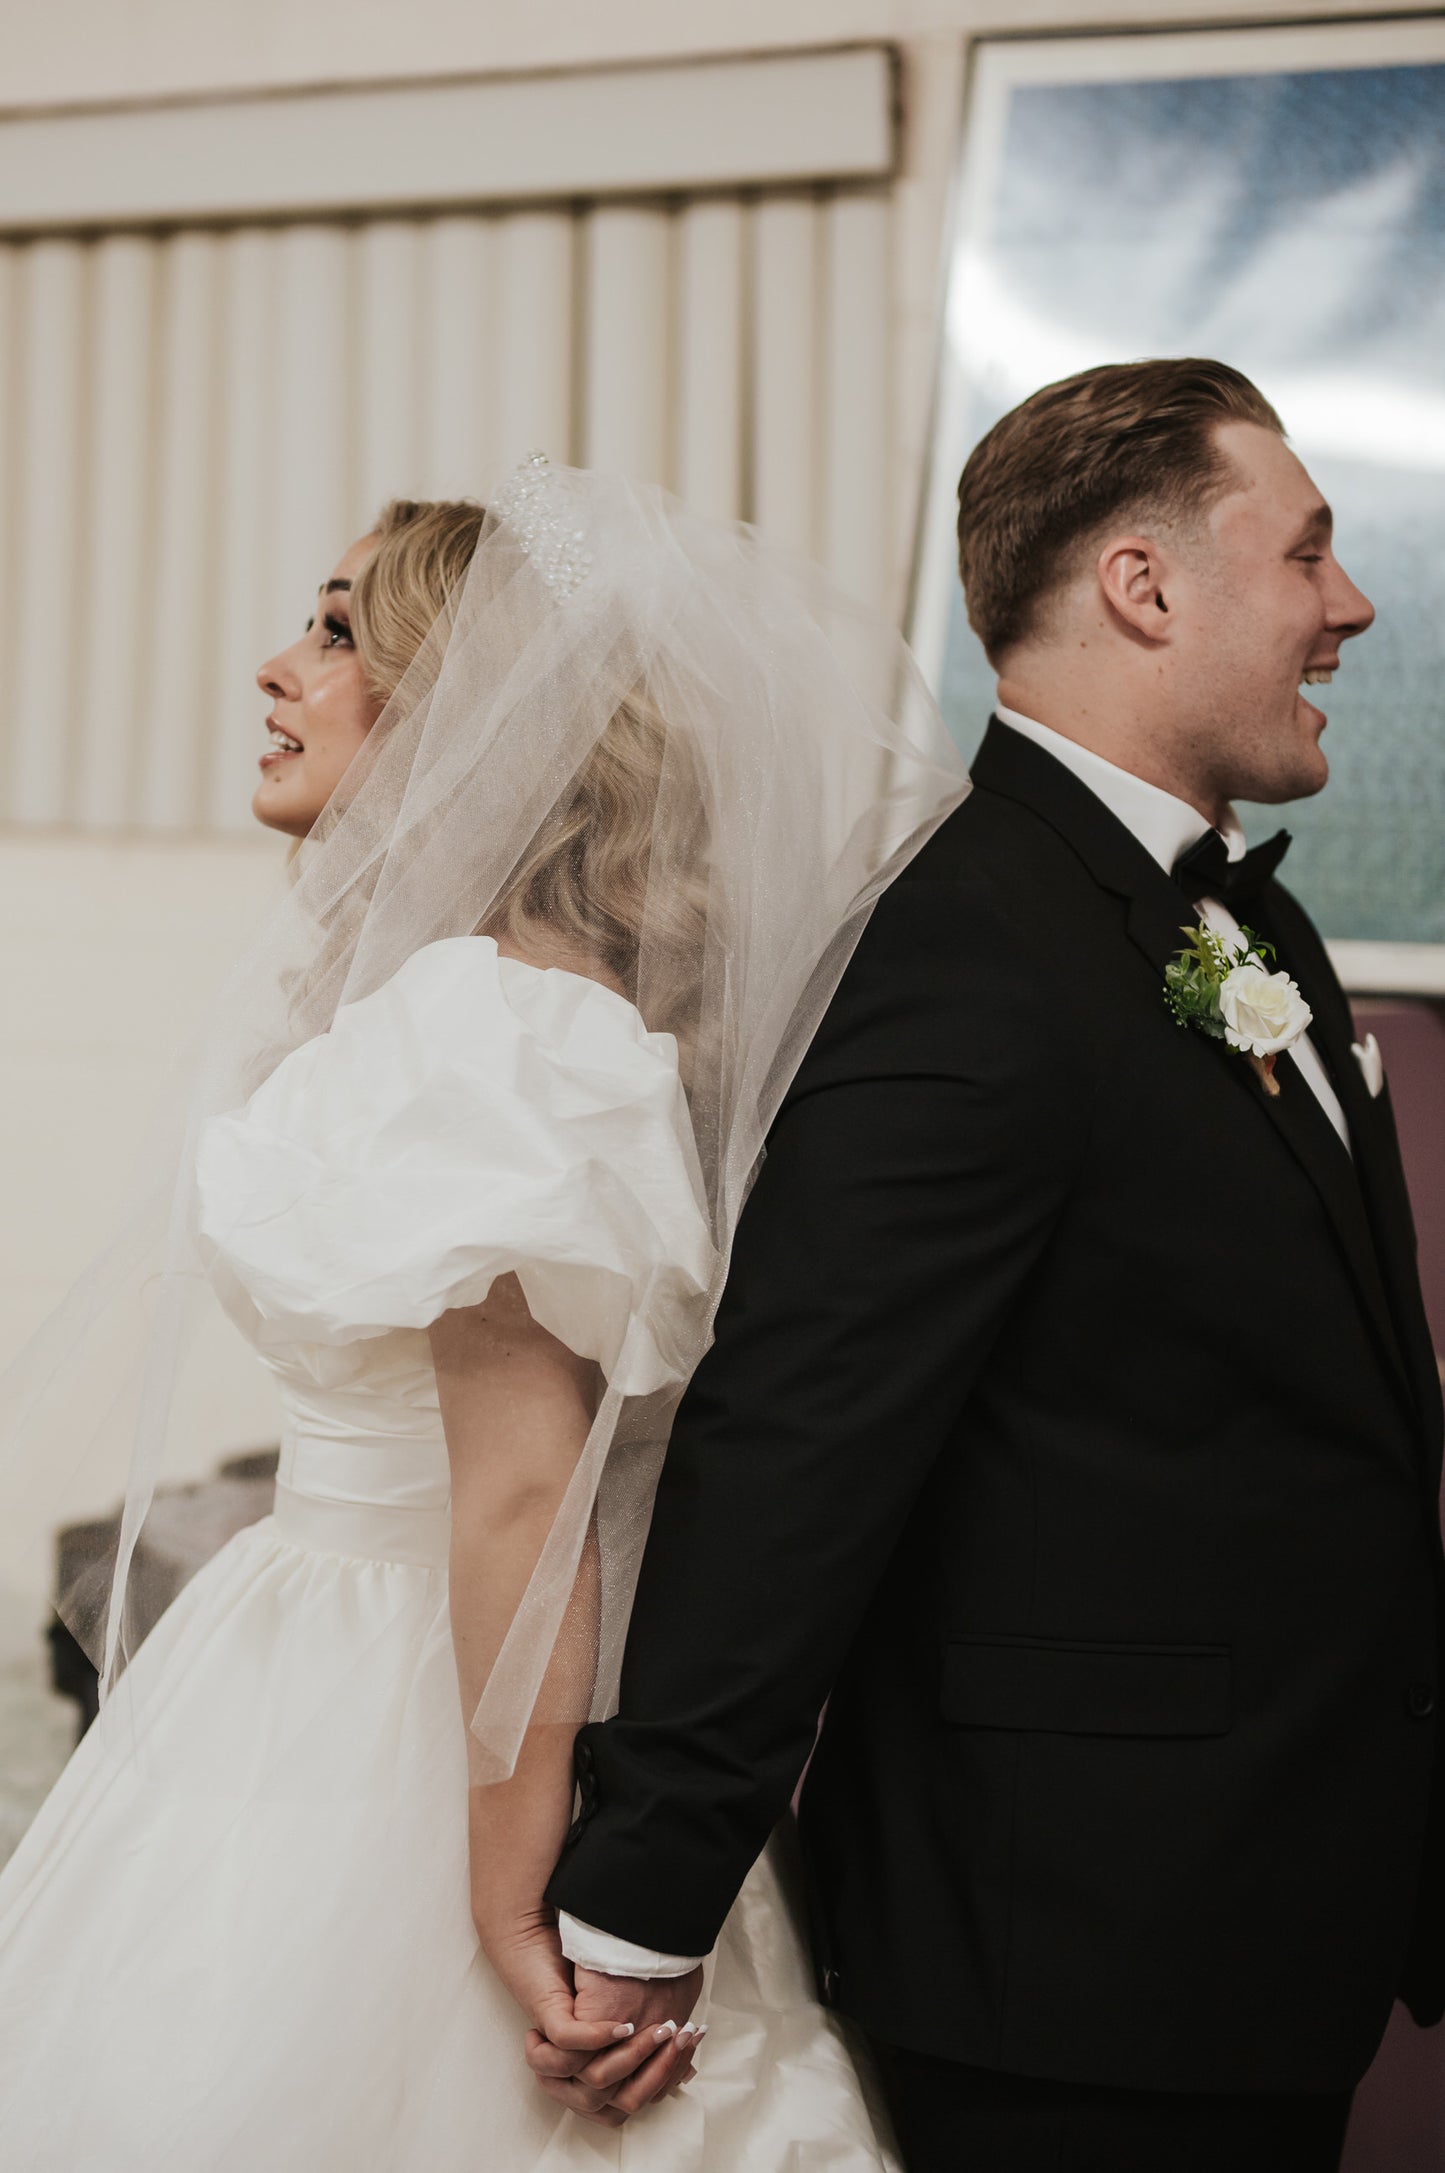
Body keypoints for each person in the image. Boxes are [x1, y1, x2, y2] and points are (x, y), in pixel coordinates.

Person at [0, 461, 965, 2168]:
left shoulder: (507, 1029)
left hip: (413, 1712)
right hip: (321, 1659)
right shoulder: (479, 1003)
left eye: (337, 632)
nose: (276, 668)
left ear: (475, 712)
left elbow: (525, 1498)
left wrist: (510, 1902)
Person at [542, 361, 1445, 2171]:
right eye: (1305, 554)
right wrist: (645, 1892)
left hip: (1258, 1909)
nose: (1346, 605)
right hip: (1075, 1960)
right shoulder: (967, 941)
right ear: (1142, 585)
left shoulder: (1243, 919)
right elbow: (801, 1434)